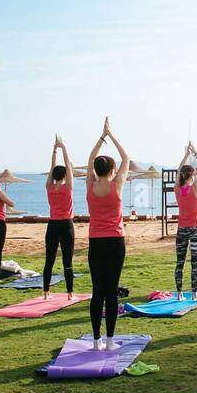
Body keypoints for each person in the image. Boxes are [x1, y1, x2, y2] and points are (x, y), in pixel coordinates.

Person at [87, 118, 129, 351]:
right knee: (111, 291)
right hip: (115, 242)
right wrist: (111, 135)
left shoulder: (90, 186)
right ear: (112, 171)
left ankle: (96, 341)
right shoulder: (117, 184)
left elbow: (90, 160)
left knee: (98, 292)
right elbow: (127, 158)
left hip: (96, 243)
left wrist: (102, 137)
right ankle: (110, 341)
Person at [43, 136, 76, 300]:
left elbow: (51, 167)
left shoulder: (49, 187)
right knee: (67, 260)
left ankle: (46, 292)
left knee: (49, 259)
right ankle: (70, 294)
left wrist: (55, 150)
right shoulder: (68, 187)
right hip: (66, 225)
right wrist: (64, 147)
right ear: (65, 176)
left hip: (52, 225)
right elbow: (69, 167)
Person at [173, 142, 197, 301]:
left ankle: (179, 295)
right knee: (195, 263)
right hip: (196, 230)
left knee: (180, 262)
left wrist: (186, 155)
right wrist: (196, 153)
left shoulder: (178, 190)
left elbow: (178, 172)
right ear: (192, 176)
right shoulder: (194, 189)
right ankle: (194, 294)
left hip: (182, 230)